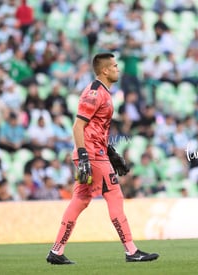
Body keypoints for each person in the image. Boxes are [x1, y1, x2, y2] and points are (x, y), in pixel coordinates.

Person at [46, 53, 159, 265]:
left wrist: (109, 151)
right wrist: (84, 156)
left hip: (95, 153)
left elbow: (93, 128)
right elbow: (78, 126)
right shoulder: (95, 93)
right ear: (105, 70)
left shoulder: (104, 93)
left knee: (80, 200)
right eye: (115, 66)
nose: (118, 69)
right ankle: (131, 250)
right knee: (115, 196)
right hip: (91, 155)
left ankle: (56, 251)